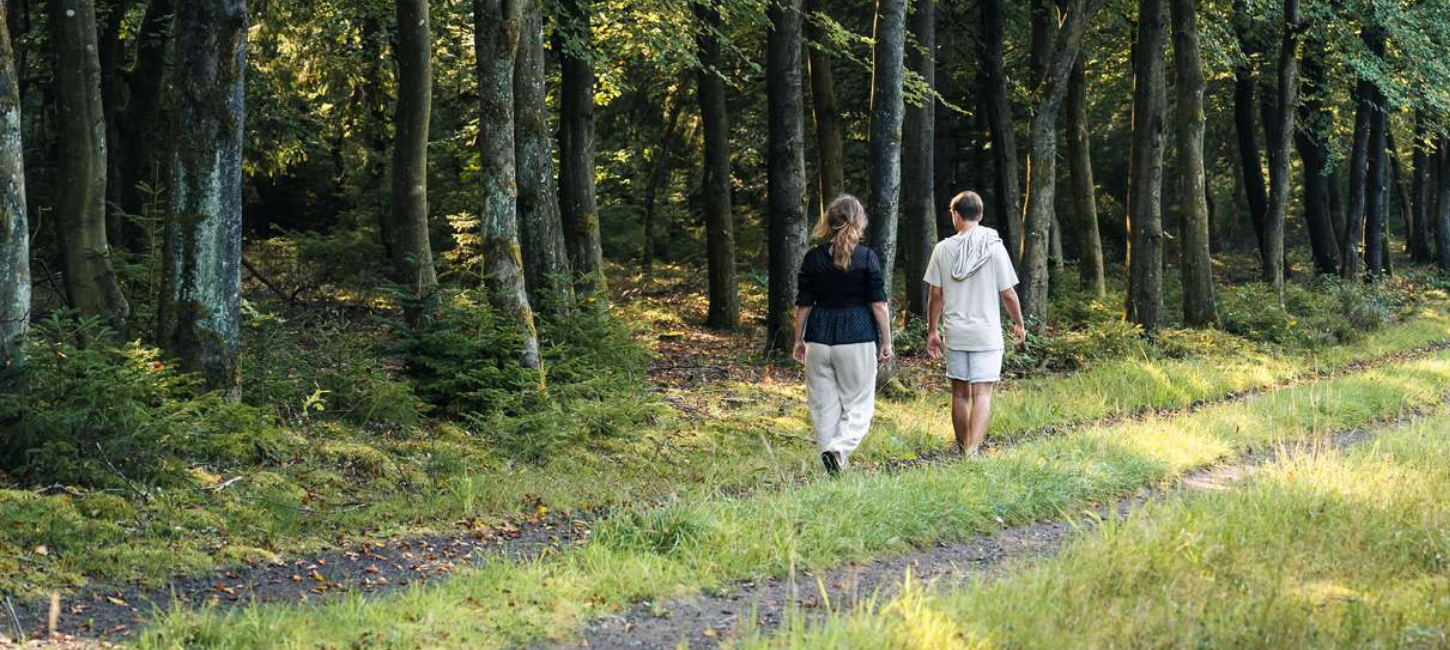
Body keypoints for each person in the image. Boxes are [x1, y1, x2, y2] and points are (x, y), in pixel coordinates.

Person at [792, 195, 893, 475]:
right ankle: (839, 450)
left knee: (823, 409)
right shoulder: (867, 257)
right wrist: (886, 341)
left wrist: (798, 339)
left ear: (828, 222)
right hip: (857, 338)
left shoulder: (813, 258)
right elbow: (879, 305)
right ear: (860, 221)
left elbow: (803, 305)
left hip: (819, 340)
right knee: (859, 406)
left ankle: (831, 472)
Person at [924, 191, 1026, 456]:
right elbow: (1007, 293)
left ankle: (962, 449)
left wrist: (932, 331)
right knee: (982, 393)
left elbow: (936, 296)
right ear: (979, 215)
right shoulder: (994, 247)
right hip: (986, 333)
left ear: (956, 215)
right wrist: (1018, 322)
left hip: (955, 332)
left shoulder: (942, 249)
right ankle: (972, 451)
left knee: (959, 393)